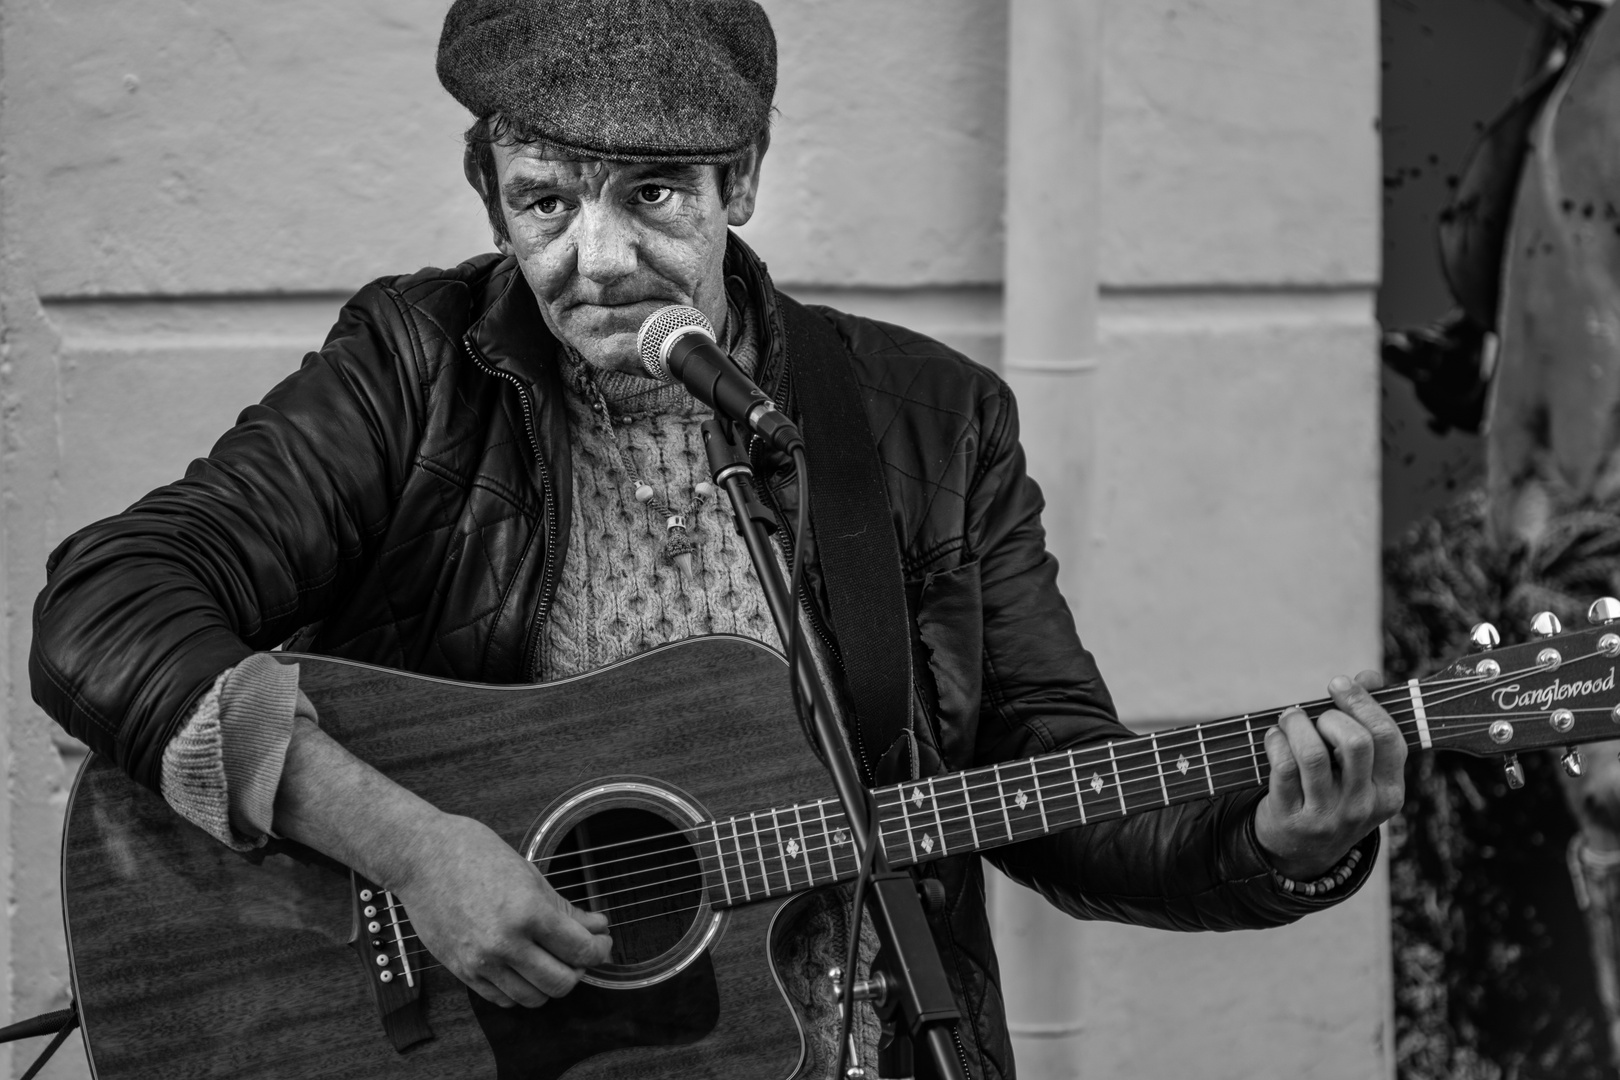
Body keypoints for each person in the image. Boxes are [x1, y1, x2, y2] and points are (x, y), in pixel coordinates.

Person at [29, 2, 1406, 1076]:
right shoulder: (414, 373)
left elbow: (1042, 769)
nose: (600, 257)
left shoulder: (925, 422)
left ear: (740, 177)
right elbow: (105, 612)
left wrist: (1271, 837)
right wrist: (408, 845)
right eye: (545, 199)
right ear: (486, 186)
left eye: (654, 194)